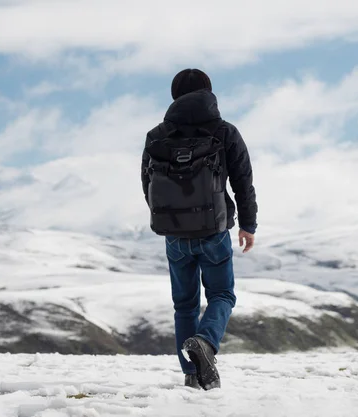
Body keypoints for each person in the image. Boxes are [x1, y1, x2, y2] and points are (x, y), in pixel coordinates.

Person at [141, 69, 258, 390]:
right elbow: (242, 182)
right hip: (214, 230)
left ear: (174, 95)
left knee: (184, 306)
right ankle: (205, 342)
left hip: (174, 234)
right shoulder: (224, 132)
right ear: (208, 92)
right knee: (221, 294)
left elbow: (147, 185)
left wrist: (169, 218)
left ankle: (192, 374)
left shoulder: (156, 135)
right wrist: (248, 224)